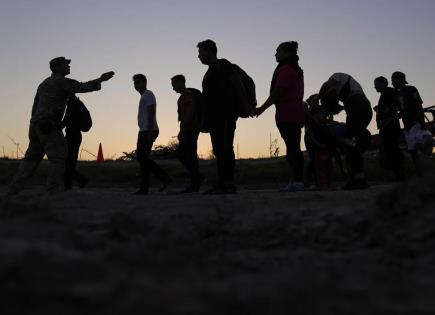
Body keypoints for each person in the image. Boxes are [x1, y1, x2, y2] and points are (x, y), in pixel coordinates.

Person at [7, 57, 114, 195]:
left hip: (36, 125)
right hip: (49, 126)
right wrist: (100, 80)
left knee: (30, 160)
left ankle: (13, 190)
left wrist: (35, 123)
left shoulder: (43, 84)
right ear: (57, 67)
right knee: (58, 158)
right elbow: (81, 87)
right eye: (66, 64)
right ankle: (52, 191)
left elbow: (35, 107)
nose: (69, 66)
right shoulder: (61, 81)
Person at [197, 39, 248, 194]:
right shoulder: (211, 70)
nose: (199, 56)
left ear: (210, 51)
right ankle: (223, 183)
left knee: (225, 147)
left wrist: (245, 106)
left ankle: (227, 183)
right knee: (220, 149)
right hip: (215, 116)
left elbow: (238, 84)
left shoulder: (223, 65)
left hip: (225, 114)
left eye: (201, 52)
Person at [254, 41, 305, 192]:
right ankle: (297, 181)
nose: (275, 54)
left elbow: (278, 92)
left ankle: (297, 182)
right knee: (293, 146)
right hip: (293, 111)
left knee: (292, 148)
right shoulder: (295, 69)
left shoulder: (286, 70)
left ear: (286, 53)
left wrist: (262, 108)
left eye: (278, 51)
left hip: (288, 112)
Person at [319, 73, 372, 190]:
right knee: (351, 143)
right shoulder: (344, 90)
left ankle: (358, 179)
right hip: (363, 108)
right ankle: (358, 177)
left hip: (358, 105)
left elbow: (328, 86)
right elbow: (334, 104)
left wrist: (320, 97)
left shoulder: (335, 76)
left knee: (350, 143)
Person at [133, 73, 171, 195]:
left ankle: (164, 178)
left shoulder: (148, 94)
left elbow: (151, 112)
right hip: (144, 130)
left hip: (148, 130)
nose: (135, 85)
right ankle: (145, 188)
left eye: (138, 82)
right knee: (143, 159)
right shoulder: (144, 96)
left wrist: (149, 131)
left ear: (144, 82)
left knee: (142, 157)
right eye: (134, 83)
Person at [171, 74, 204, 193]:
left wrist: (183, 129)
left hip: (191, 128)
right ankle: (197, 178)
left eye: (174, 85)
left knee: (189, 156)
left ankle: (195, 182)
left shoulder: (187, 95)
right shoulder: (182, 97)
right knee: (185, 155)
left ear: (180, 83)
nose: (173, 88)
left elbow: (190, 113)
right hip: (189, 128)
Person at [391, 71, 425, 176]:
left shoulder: (411, 89)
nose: (392, 83)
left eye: (393, 80)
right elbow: (402, 111)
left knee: (422, 147)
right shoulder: (397, 95)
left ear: (399, 80)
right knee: (412, 150)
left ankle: (424, 172)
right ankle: (420, 174)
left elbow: (419, 106)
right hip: (407, 126)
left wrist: (422, 122)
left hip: (416, 123)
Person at [373, 76, 405, 180]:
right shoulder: (385, 94)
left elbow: (398, 105)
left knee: (392, 150)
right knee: (390, 150)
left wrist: (389, 117)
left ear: (383, 83)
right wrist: (380, 109)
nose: (375, 87)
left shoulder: (389, 92)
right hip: (386, 126)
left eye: (376, 84)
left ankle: (400, 175)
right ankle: (399, 175)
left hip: (390, 127)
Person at [62, 94, 89, 189]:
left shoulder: (72, 104)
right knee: (69, 161)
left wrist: (57, 127)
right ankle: (73, 183)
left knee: (67, 162)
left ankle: (74, 182)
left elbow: (65, 120)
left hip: (72, 135)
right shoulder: (77, 103)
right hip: (75, 135)